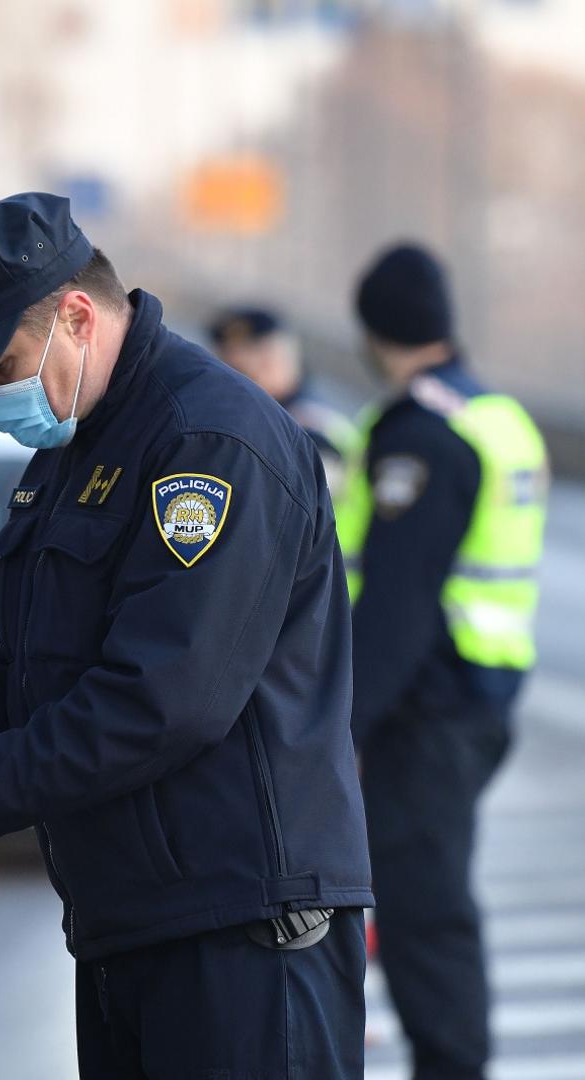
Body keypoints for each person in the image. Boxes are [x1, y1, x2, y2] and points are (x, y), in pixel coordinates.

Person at [0, 192, 373, 1077]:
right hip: (135, 924)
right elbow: (34, 684)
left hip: (240, 933)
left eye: (2, 364)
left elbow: (157, 703)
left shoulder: (209, 444)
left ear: (77, 316)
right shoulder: (82, 443)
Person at [338, 243, 547, 1080]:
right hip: (480, 699)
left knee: (427, 914)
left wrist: (338, 729)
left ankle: (454, 1068)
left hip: (426, 712)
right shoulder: (496, 415)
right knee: (433, 902)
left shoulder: (421, 436)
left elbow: (395, 607)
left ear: (372, 330)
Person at [208, 305, 359, 498]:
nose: (253, 367)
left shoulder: (314, 428)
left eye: (263, 355)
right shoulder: (246, 418)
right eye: (233, 364)